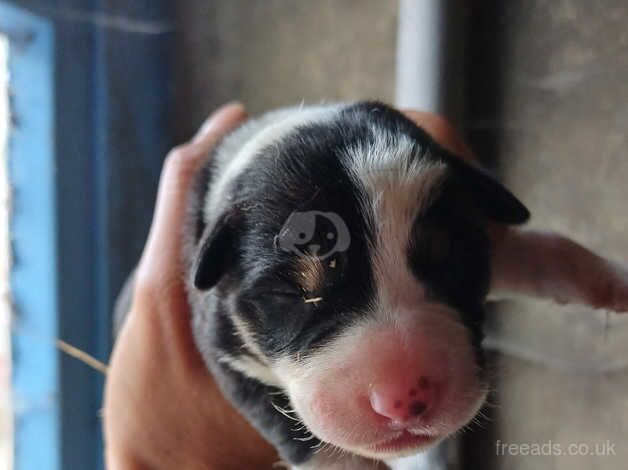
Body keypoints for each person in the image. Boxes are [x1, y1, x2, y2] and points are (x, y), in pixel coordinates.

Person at [102, 102, 477, 469]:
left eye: (447, 269)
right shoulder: (220, 324)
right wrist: (320, 458)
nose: (396, 400)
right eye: (295, 295)